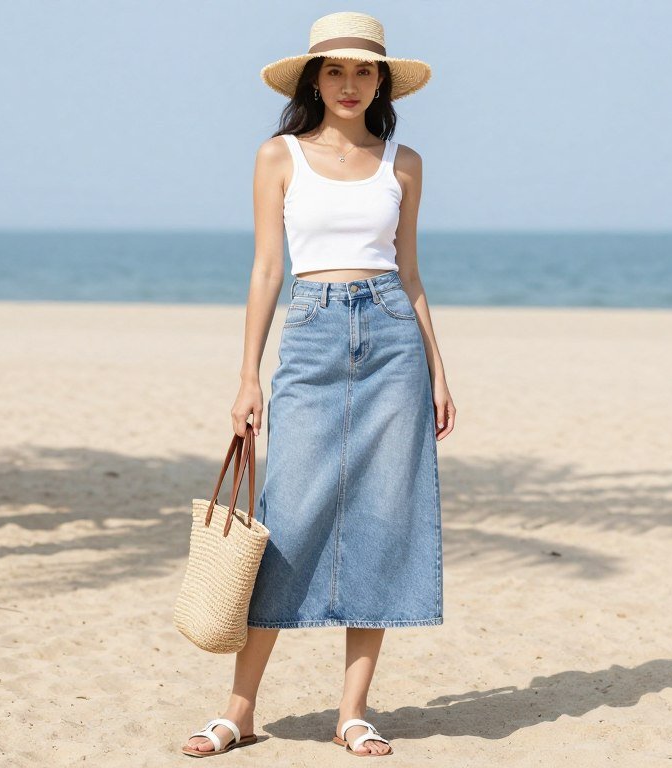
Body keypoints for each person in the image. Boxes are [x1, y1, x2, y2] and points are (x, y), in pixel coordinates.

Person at [182, 11, 456, 759]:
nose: (349, 84)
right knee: (288, 520)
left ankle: (353, 713)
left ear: (381, 82)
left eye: (363, 71)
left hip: (393, 338)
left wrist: (437, 368)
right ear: (312, 80)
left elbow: (411, 274)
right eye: (334, 71)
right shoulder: (279, 156)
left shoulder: (404, 163)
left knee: (382, 518)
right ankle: (238, 711)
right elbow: (267, 269)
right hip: (310, 333)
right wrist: (247, 376)